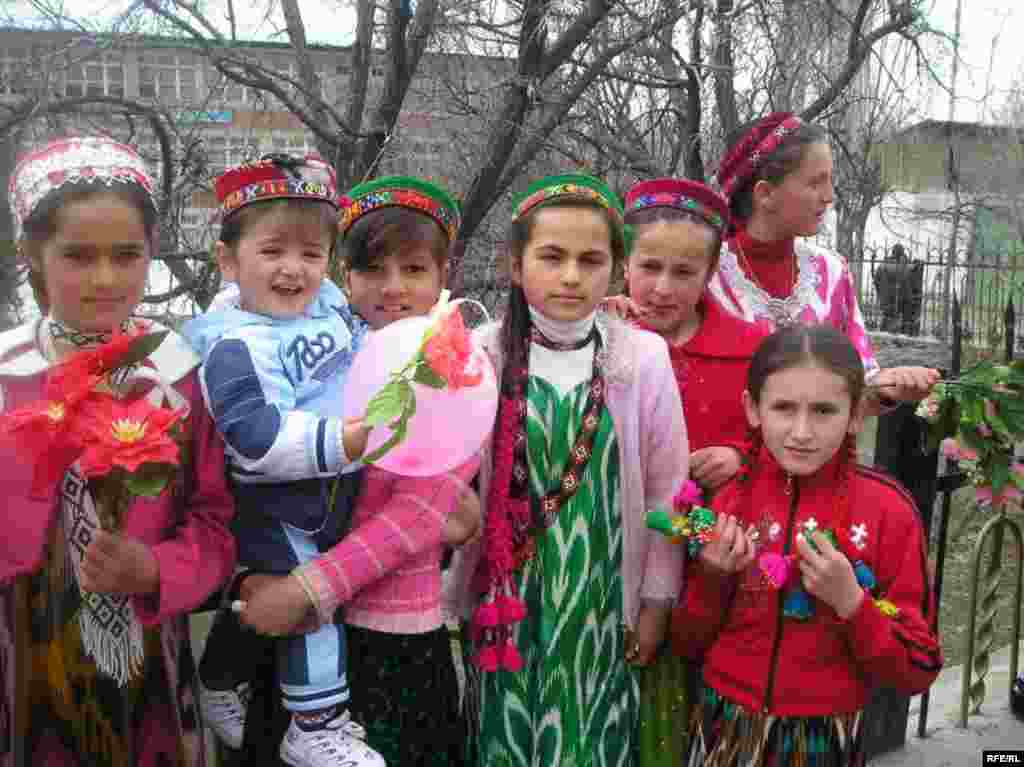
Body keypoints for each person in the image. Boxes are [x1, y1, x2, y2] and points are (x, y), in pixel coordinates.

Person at [0, 136, 237, 767]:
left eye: (126, 255)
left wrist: (157, 570)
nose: (105, 278)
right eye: (77, 256)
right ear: (32, 255)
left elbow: (216, 522)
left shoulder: (178, 375)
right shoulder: (7, 375)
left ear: (150, 252)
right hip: (23, 662)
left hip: (149, 668)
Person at [237, 175, 482, 767]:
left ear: (443, 276)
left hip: (390, 635)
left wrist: (307, 588)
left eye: (414, 269)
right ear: (345, 276)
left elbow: (418, 514)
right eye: (373, 269)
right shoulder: (319, 353)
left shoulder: (455, 368)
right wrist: (253, 572)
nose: (393, 288)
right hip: (301, 633)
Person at [445, 173, 688, 766]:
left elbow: (667, 490)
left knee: (589, 740)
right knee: (505, 740)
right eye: (552, 257)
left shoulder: (642, 359)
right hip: (507, 603)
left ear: (616, 269)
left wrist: (655, 603)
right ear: (515, 264)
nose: (572, 276)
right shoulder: (480, 355)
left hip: (601, 603)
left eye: (591, 260)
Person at [181, 154, 383, 767]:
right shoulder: (235, 343)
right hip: (279, 501)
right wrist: (341, 442)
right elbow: (255, 437)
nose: (293, 269)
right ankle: (315, 725)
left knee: (286, 600)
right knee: (312, 603)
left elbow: (362, 347)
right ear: (228, 261)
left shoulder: (326, 308)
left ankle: (219, 678)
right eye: (272, 252)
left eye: (311, 254)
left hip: (331, 491)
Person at [671, 323, 943, 766]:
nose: (801, 431)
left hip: (826, 737)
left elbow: (918, 668)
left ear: (855, 414)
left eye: (823, 411)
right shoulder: (722, 499)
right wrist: (711, 576)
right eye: (783, 407)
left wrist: (852, 603)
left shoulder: (889, 512)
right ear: (753, 408)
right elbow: (684, 644)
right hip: (723, 726)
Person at [621, 178, 768, 766]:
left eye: (683, 273)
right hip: (617, 555)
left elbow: (788, 436)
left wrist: (742, 455)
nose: (662, 288)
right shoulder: (599, 336)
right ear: (624, 262)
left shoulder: (750, 350)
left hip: (711, 570)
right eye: (649, 267)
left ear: (709, 275)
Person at [710, 112, 939, 410]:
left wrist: (886, 388)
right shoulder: (706, 275)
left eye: (830, 181)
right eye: (816, 182)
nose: (829, 196)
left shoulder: (831, 273)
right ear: (765, 194)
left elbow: (856, 389)